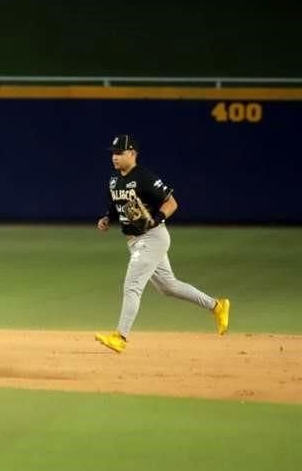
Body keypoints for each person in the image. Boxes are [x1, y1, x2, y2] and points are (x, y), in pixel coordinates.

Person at [95, 134, 230, 353]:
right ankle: (217, 306)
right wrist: (106, 218)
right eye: (113, 154)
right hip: (135, 241)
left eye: (119, 153)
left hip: (152, 238)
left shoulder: (145, 177)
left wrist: (156, 219)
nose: (115, 157)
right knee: (169, 286)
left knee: (132, 286)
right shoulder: (114, 179)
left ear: (132, 153)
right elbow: (115, 205)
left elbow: (171, 202)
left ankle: (120, 336)